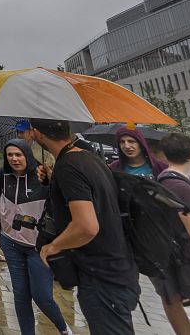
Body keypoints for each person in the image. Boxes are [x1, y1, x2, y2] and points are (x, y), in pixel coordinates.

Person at [34, 119, 139, 335]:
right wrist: (53, 181)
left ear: (38, 134)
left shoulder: (68, 166)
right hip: (119, 269)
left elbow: (86, 226)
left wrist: (52, 247)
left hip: (102, 278)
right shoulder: (88, 157)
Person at [0, 139, 71, 335]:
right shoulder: (2, 176)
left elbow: (62, 202)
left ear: (27, 155)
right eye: (10, 155)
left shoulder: (42, 177)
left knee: (42, 296)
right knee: (21, 294)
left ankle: (64, 330)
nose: (14, 159)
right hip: (11, 243)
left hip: (38, 247)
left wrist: (51, 180)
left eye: (18, 154)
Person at [155, 133, 190, 335]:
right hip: (183, 257)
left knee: (172, 300)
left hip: (168, 255)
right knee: (173, 301)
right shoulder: (180, 187)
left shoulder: (164, 180)